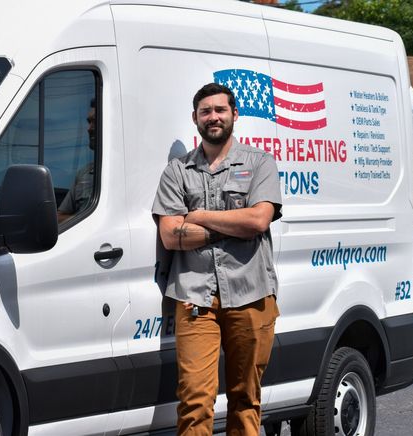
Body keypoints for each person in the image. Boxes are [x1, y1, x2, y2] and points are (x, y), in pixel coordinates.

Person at [152, 83, 282, 436]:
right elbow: (169, 234)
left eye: (220, 110)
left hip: (252, 293)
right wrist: (232, 224)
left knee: (245, 400)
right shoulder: (177, 171)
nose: (213, 117)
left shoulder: (259, 163)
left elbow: (258, 220)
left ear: (234, 115)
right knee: (195, 401)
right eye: (206, 111)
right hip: (194, 297)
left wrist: (198, 216)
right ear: (194, 118)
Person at [57, 98, 96, 223]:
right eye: (89, 122)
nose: (89, 128)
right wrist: (83, 220)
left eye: (95, 121)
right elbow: (59, 217)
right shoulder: (84, 173)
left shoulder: (131, 174)